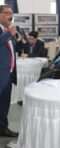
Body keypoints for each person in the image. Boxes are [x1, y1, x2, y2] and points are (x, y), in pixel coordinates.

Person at [0, 4, 18, 137]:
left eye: (11, 13)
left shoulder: (7, 31)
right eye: (7, 13)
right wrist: (8, 34)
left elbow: (11, 51)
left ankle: (3, 128)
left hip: (8, 74)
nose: (10, 16)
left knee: (4, 104)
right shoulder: (6, 32)